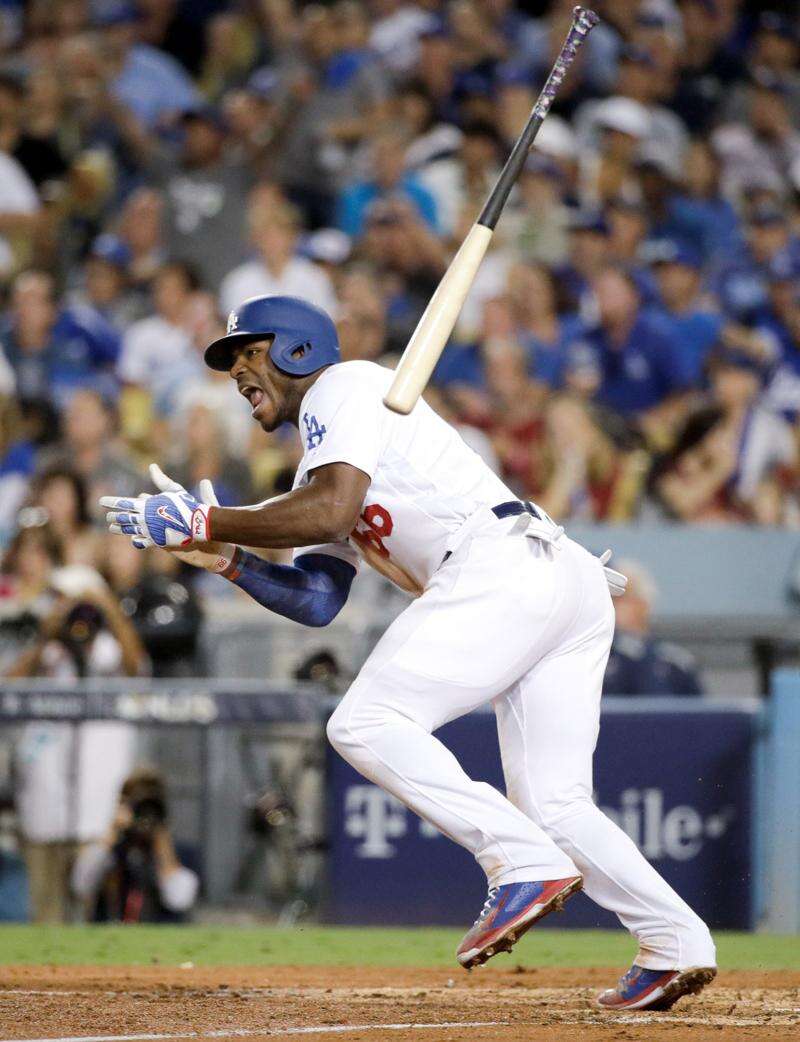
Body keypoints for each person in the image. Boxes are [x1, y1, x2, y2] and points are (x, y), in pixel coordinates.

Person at [102, 294, 717, 1012]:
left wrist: (207, 515)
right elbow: (316, 599)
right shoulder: (324, 461)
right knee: (555, 801)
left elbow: (333, 511)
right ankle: (676, 941)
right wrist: (224, 555)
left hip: (498, 564)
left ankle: (517, 860)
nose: (238, 373)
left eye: (248, 353)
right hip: (556, 577)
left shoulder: (344, 386)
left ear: (297, 349)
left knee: (363, 723)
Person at [72, 767, 199, 922]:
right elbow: (81, 886)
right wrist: (111, 832)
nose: (145, 815)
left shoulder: (182, 852)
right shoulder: (110, 849)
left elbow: (180, 900)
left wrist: (163, 845)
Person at [603, 560, 703, 697]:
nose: (609, 605)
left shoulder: (675, 665)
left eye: (618, 598)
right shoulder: (596, 660)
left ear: (642, 605)